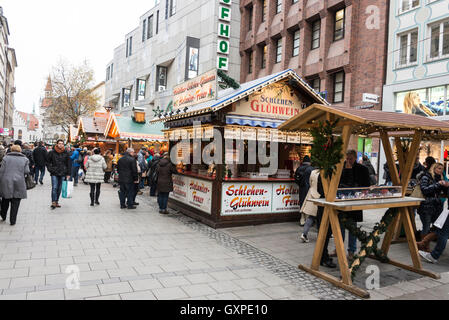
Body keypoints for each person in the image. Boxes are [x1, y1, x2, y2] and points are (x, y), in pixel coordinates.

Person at [330, 150, 370, 260]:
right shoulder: (341, 168)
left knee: (352, 228)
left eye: (350, 159)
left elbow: (365, 185)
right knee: (340, 227)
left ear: (355, 158)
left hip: (354, 202)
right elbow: (339, 183)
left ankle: (351, 251)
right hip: (342, 201)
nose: (348, 161)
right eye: (347, 159)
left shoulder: (362, 169)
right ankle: (338, 249)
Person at [416, 163, 448, 242]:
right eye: (439, 168)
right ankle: (423, 245)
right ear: (434, 168)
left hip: (437, 206)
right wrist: (438, 184)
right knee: (426, 227)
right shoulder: (426, 177)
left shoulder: (441, 179)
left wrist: (446, 187)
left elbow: (442, 193)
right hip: (427, 206)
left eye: (442, 169)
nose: (441, 171)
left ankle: (426, 243)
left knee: (437, 226)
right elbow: (425, 190)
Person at [0, 145, 30, 226]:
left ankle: (3, 215)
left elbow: (1, 171)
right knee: (16, 202)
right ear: (20, 150)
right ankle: (13, 221)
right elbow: (27, 171)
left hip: (6, 181)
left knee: (5, 200)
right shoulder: (25, 159)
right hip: (19, 182)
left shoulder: (5, 158)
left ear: (11, 149)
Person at [46, 140, 72, 209]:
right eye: (59, 143)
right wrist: (50, 169)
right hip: (54, 172)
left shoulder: (66, 153)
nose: (60, 145)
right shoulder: (52, 152)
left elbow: (69, 164)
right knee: (54, 187)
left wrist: (69, 173)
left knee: (60, 188)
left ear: (64, 145)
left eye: (62, 144)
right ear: (57, 144)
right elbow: (47, 162)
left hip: (63, 173)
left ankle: (56, 201)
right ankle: (53, 202)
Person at [300, 169, 321, 243]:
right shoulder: (326, 172)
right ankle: (321, 236)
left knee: (311, 217)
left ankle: (304, 234)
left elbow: (310, 183)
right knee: (321, 217)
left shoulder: (313, 172)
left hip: (312, 195)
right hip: (321, 197)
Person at [294, 155, 314, 226]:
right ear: (309, 162)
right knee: (308, 204)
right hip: (310, 189)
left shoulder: (299, 168)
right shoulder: (312, 169)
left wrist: (300, 184)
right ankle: (308, 220)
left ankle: (302, 219)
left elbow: (296, 179)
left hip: (302, 188)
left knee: (302, 202)